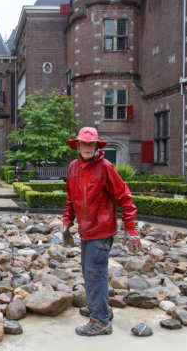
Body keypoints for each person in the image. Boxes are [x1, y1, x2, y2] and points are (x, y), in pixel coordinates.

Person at [63, 127, 140, 336]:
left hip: (102, 230)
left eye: (91, 144)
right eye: (84, 144)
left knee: (95, 274)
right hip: (85, 230)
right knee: (89, 270)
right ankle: (100, 308)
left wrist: (130, 229)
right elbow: (70, 198)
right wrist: (67, 222)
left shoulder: (105, 167)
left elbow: (125, 198)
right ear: (77, 145)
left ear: (96, 146)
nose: (87, 147)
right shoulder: (72, 167)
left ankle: (101, 322)